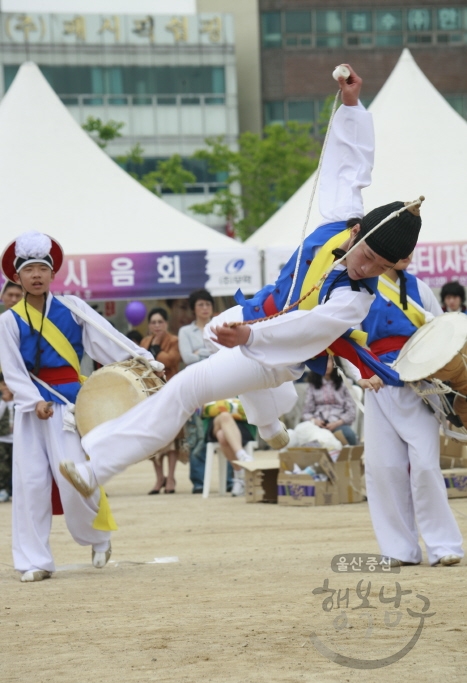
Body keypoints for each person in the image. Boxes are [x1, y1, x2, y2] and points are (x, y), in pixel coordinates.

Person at [59, 64, 423, 501]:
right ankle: (271, 423)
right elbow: (348, 166)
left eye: (383, 266)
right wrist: (350, 106)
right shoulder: (335, 219)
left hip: (277, 350)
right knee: (217, 337)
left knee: (185, 388)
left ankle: (96, 467)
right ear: (356, 229)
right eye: (368, 255)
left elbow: (305, 331)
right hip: (251, 312)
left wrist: (250, 335)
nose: (369, 269)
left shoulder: (354, 300)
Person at [0, 230, 159, 582]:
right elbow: (12, 370)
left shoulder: (72, 308)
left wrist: (142, 360)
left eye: (42, 268)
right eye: (29, 270)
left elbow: (108, 339)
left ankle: (98, 537)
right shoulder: (8, 321)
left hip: (72, 406)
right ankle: (34, 560)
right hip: (32, 410)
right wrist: (32, 401)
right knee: (31, 484)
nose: (36, 275)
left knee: (73, 479)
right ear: (17, 277)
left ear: (52, 273)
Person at [361, 258, 464, 566]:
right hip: (377, 382)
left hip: (420, 383)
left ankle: (444, 545)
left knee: (425, 465)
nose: (406, 254)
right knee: (384, 468)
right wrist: (362, 373)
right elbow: (346, 338)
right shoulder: (359, 288)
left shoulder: (419, 287)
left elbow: (442, 332)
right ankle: (398, 549)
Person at [141, 307, 181, 494]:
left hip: (169, 391)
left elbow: (171, 361)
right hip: (149, 394)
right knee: (152, 438)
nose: (157, 326)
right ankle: (159, 478)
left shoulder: (173, 340)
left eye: (160, 322)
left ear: (166, 323)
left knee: (171, 437)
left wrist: (155, 352)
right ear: (149, 325)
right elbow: (139, 364)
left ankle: (171, 477)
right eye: (153, 322)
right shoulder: (144, 342)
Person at [178, 289, 215, 493]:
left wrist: (198, 351)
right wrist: (209, 352)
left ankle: (228, 481)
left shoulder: (219, 327)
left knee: (220, 429)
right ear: (194, 308)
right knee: (197, 433)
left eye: (208, 304)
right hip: (195, 385)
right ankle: (199, 481)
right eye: (200, 305)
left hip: (220, 383)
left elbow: (225, 353)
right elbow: (186, 357)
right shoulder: (185, 331)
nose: (204, 308)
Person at [202, 399, 257, 497]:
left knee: (222, 436)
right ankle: (242, 455)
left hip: (242, 425)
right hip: (215, 423)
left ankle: (239, 474)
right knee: (224, 416)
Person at [302, 357, 357, 445]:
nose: (325, 364)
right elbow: (306, 413)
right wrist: (315, 421)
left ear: (335, 362)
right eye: (322, 361)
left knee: (349, 435)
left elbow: (351, 412)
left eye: (328, 360)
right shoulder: (312, 385)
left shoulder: (346, 383)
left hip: (339, 424)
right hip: (317, 425)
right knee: (303, 434)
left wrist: (336, 423)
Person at [0, 373, 14, 503]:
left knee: (16, 466)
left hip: (17, 440)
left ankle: (15, 491)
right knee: (3, 467)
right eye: (4, 384)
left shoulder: (20, 401)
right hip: (3, 439)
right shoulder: (1, 402)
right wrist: (4, 401)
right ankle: (3, 490)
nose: (7, 387)